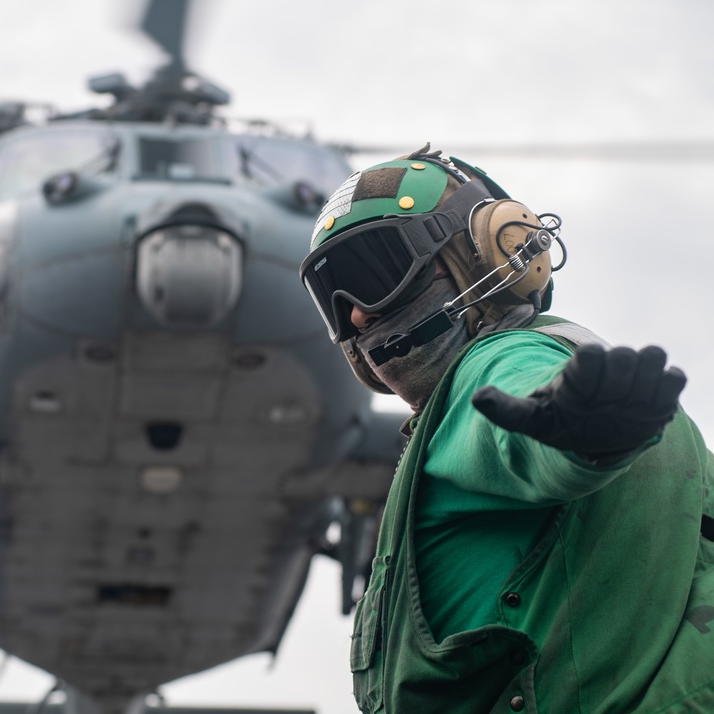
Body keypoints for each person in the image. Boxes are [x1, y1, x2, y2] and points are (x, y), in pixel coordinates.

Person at [299, 145, 714, 712]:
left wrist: (571, 432)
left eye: (375, 274)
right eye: (334, 294)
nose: (357, 316)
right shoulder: (676, 438)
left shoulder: (493, 370)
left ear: (488, 254)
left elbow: (513, 416)